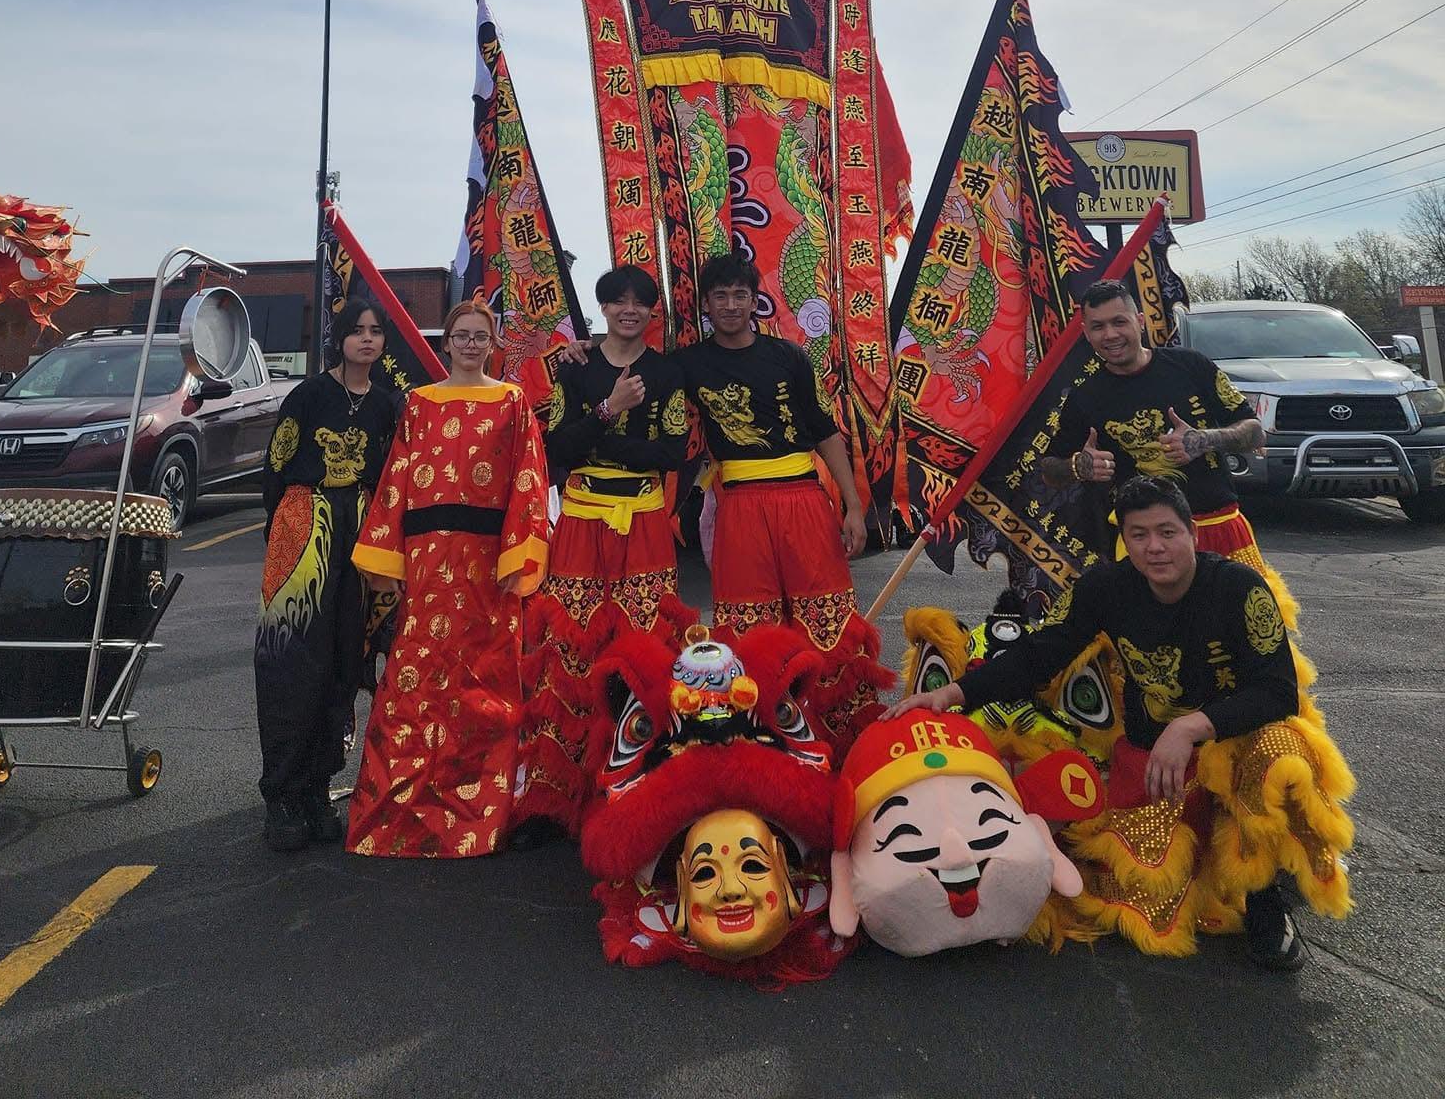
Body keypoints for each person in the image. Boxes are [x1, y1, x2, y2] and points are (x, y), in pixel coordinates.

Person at [893, 476, 1355, 968]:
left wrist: (1191, 727)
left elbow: (1278, 690)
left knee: (1283, 750)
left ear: (1192, 533)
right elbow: (1039, 654)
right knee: (1140, 903)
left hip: (1233, 748)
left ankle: (1266, 900)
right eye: (1139, 535)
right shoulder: (1104, 587)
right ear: (1125, 541)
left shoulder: (1240, 589)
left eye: (1167, 532)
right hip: (1154, 763)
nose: (1155, 547)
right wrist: (952, 694)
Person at [343, 298, 549, 858]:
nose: (471, 345)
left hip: (489, 562)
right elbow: (397, 478)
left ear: (493, 343)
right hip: (428, 559)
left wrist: (517, 557)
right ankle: (401, 814)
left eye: (481, 336)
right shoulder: (419, 403)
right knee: (416, 681)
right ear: (447, 343)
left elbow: (528, 479)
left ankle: (480, 817)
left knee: (486, 682)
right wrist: (390, 560)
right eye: (462, 335)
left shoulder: (512, 401)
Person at [513, 266, 692, 839]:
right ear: (605, 308)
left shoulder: (666, 373)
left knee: (647, 648)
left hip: (643, 521)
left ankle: (648, 785)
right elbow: (556, 447)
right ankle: (554, 798)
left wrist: (602, 437)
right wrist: (610, 409)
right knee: (570, 649)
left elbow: (669, 454)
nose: (629, 310)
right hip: (582, 521)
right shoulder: (575, 368)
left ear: (652, 311)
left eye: (640, 302)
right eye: (618, 301)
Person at [1042, 279, 1294, 613]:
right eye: (1098, 327)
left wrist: (1205, 439)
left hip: (1218, 528)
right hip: (1142, 541)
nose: (1111, 335)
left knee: (1245, 627)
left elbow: (1255, 433)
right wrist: (1079, 466)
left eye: (1119, 322)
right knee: (1146, 634)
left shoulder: (1192, 366)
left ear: (1139, 321)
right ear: (1086, 334)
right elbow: (1049, 469)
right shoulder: (1084, 397)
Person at [255, 301, 401, 851]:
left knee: (345, 661)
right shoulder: (308, 395)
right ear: (339, 339)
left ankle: (318, 789)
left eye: (376, 331)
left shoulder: (387, 404)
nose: (367, 339)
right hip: (305, 527)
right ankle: (281, 795)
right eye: (356, 331)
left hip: (360, 534)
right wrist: (286, 535)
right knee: (292, 663)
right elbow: (276, 468)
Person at [680, 253, 866, 650]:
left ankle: (828, 692)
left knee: (824, 617)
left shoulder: (789, 356)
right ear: (706, 304)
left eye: (740, 295)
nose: (731, 305)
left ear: (754, 301)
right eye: (720, 296)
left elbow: (826, 433)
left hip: (803, 499)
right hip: (740, 505)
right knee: (749, 627)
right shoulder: (689, 363)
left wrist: (853, 506)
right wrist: (586, 349)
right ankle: (756, 692)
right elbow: (637, 368)